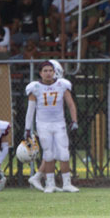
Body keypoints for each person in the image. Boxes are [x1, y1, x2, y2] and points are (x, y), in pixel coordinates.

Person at [25, 61, 79, 193]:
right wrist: (27, 128)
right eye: (45, 71)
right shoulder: (35, 87)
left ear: (54, 72)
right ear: (40, 73)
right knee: (48, 153)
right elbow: (30, 110)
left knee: (64, 152)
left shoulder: (62, 85)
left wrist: (74, 120)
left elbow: (71, 104)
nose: (48, 73)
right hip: (43, 124)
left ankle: (66, 183)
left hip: (59, 123)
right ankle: (50, 184)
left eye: (50, 70)